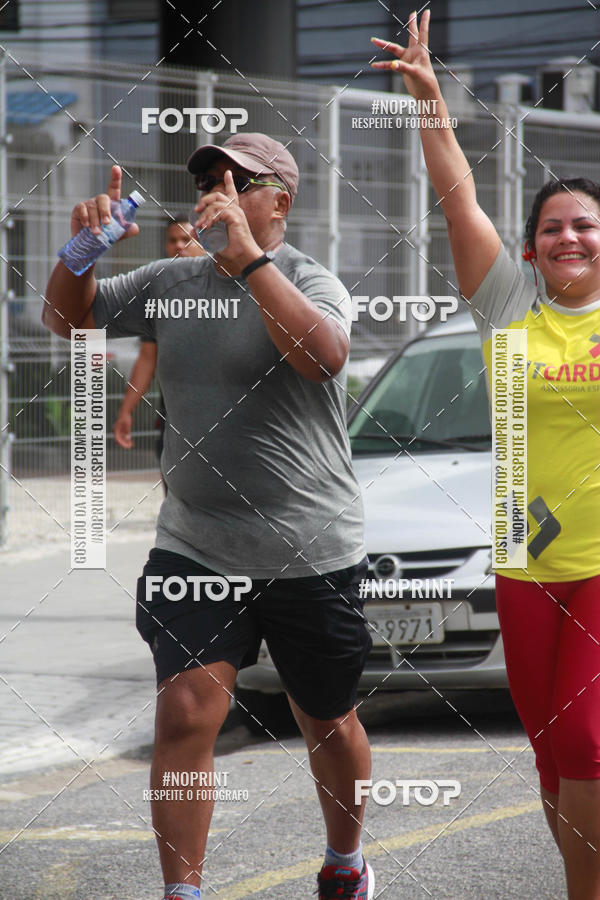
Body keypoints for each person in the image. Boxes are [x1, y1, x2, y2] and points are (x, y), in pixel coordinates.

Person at [42, 133, 374, 900]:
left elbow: (320, 355)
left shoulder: (309, 279)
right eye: (202, 177)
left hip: (309, 550)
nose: (210, 189)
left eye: (232, 178)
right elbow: (71, 319)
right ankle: (183, 891)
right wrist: (83, 251)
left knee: (325, 720)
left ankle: (345, 861)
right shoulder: (169, 281)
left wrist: (250, 264)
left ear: (278, 201)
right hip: (196, 545)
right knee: (187, 714)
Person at [371, 11, 600, 899]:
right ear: (533, 248)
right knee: (549, 758)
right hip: (521, 553)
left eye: (585, 226)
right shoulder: (507, 307)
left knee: (585, 743)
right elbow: (458, 197)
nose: (569, 239)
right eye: (552, 229)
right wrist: (433, 103)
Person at [112, 217, 204, 489]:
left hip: (219, 415)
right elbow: (147, 357)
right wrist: (126, 411)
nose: (178, 246)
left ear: (203, 242)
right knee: (174, 491)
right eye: (172, 240)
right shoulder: (159, 295)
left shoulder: (225, 289)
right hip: (173, 417)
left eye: (186, 239)